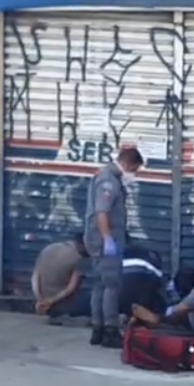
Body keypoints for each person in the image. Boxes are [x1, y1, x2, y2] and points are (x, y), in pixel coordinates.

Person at [84, 147, 144, 349]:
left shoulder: (107, 177)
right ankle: (110, 330)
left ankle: (97, 329)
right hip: (105, 241)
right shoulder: (109, 180)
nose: (133, 174)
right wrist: (107, 238)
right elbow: (102, 211)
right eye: (134, 169)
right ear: (128, 164)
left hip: (98, 239)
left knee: (100, 285)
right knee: (112, 285)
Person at [31, 233, 90, 326]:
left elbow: (35, 277)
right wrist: (50, 301)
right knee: (96, 294)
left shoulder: (48, 249)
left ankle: (55, 315)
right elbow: (70, 289)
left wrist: (40, 299)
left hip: (45, 304)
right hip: (61, 305)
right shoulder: (78, 258)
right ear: (83, 245)